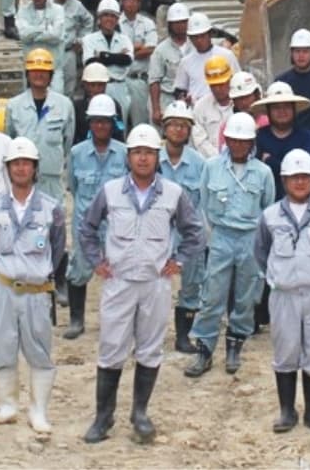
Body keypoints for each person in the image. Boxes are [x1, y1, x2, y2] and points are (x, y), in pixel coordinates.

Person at [78, 124, 206, 446]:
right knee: (111, 349)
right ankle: (103, 417)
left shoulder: (173, 194)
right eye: (137, 152)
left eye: (149, 153)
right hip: (118, 283)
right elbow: (87, 228)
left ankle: (140, 413)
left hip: (155, 282)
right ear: (128, 157)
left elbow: (194, 232)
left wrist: (179, 261)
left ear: (157, 157)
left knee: (150, 349)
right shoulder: (109, 191)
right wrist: (97, 261)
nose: (143, 159)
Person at [255, 148, 310, 433]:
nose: (299, 182)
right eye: (294, 177)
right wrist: (282, 276)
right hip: (284, 295)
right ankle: (286, 412)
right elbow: (261, 252)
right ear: (284, 180)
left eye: (305, 177)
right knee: (285, 351)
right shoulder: (269, 216)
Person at [0, 136, 66, 435]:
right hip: (3, 289)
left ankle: (38, 410)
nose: (20, 168)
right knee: (2, 345)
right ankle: (8, 406)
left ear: (35, 168)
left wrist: (37, 273)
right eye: (15, 163)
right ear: (7, 167)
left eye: (26, 163)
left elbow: (57, 249)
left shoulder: (51, 208)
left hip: (36, 293)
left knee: (39, 350)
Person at [185, 112, 274, 377]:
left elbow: (267, 206)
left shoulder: (263, 172)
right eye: (233, 139)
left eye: (244, 141)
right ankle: (204, 348)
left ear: (252, 143)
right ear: (226, 139)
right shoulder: (211, 167)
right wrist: (213, 234)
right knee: (212, 293)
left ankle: (235, 343)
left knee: (246, 295)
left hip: (249, 238)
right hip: (221, 236)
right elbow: (202, 202)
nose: (238, 145)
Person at [64, 96, 127, 341]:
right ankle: (76, 319)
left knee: (119, 274)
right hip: (85, 226)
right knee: (79, 270)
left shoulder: (123, 154)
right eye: (96, 121)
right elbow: (73, 185)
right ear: (89, 123)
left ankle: (118, 322)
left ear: (113, 124)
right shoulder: (77, 153)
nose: (101, 126)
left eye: (105, 122)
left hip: (115, 226)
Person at [157, 101, 207, 354]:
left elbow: (204, 203)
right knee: (151, 286)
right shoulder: (151, 159)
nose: (178, 130)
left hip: (188, 235)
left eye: (183, 126)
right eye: (173, 125)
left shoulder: (199, 164)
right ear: (164, 128)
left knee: (191, 286)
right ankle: (149, 335)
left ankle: (183, 336)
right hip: (157, 234)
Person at [5, 49, 75, 209]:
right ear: (27, 74)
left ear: (51, 75)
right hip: (23, 180)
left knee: (54, 224)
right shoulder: (14, 106)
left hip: (52, 179)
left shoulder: (64, 105)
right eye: (35, 71)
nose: (39, 75)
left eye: (44, 72)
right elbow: (9, 139)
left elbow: (67, 142)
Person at [254, 81, 310, 188]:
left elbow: (303, 171)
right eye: (276, 107)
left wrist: (270, 161)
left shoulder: (306, 137)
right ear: (268, 111)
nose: (282, 111)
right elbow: (256, 171)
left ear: (294, 109)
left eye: (286, 106)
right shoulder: (259, 137)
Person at [172, 13, 239, 106]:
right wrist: (183, 98)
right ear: (190, 38)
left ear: (210, 34)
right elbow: (179, 89)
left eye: (202, 36)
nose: (199, 40)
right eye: (195, 37)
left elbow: (237, 80)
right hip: (197, 110)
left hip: (225, 107)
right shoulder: (185, 62)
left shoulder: (226, 55)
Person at [84, 0, 136, 119]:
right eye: (105, 15)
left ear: (117, 19)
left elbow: (127, 60)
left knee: (120, 125)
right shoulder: (89, 39)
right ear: (99, 18)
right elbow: (90, 63)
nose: (109, 19)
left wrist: (101, 56)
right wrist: (117, 56)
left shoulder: (125, 39)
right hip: (97, 87)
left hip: (119, 87)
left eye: (113, 16)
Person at [115, 0, 157, 121]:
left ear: (139, 2)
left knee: (141, 121)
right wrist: (138, 47)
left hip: (139, 80)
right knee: (120, 121)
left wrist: (127, 52)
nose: (130, 3)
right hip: (120, 79)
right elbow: (115, 52)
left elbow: (151, 49)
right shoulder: (115, 23)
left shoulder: (148, 23)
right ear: (122, 1)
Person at [15, 0, 65, 84]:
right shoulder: (23, 11)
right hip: (31, 69)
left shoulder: (58, 10)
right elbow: (23, 36)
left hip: (54, 68)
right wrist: (44, 28)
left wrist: (32, 33)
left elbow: (56, 35)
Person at [147, 4, 192, 124]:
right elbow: (154, 81)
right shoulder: (161, 50)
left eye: (183, 22)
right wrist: (156, 109)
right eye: (176, 22)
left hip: (190, 99)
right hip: (167, 99)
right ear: (170, 25)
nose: (180, 25)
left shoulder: (195, 46)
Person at [52, 0, 93, 98]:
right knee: (52, 89)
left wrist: (81, 40)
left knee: (69, 88)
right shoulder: (46, 1)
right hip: (50, 51)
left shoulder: (76, 5)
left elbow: (89, 20)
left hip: (69, 51)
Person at [189, 54, 236, 157]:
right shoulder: (200, 107)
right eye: (214, 85)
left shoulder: (240, 104)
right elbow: (200, 141)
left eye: (221, 84)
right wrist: (219, 160)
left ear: (230, 80)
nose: (218, 89)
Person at [76, 62, 128, 145]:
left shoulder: (114, 105)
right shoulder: (77, 108)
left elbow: (119, 135)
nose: (96, 89)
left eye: (100, 85)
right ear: (85, 85)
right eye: (92, 85)